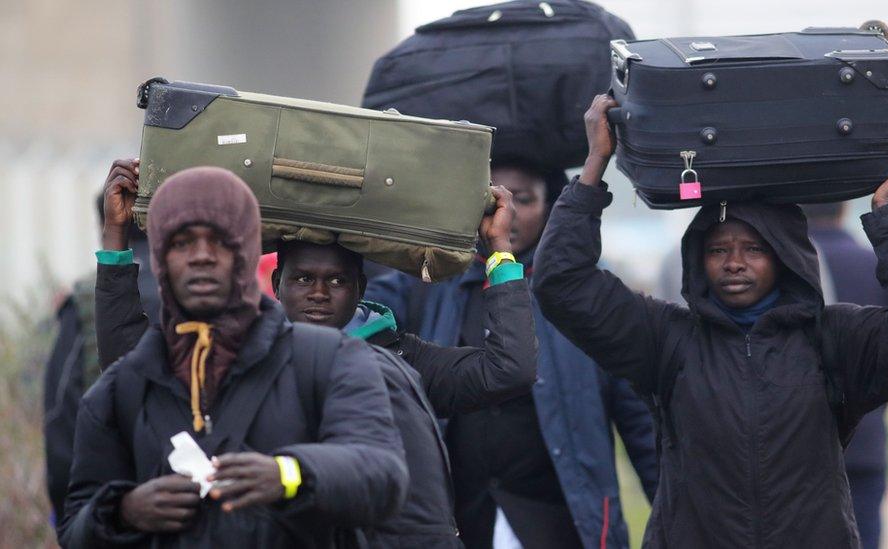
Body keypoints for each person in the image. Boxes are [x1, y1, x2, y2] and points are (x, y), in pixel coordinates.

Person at [531, 94, 888, 548]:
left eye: (753, 249)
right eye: (718, 250)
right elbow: (561, 283)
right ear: (699, 259)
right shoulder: (665, 340)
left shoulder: (833, 340)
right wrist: (595, 166)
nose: (734, 263)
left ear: (785, 259)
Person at [93, 160, 539, 548]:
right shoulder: (246, 360)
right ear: (276, 285)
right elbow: (128, 363)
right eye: (304, 279)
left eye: (338, 281)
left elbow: (509, 369)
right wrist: (115, 240)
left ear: (361, 290)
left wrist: (500, 254)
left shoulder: (404, 360)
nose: (320, 294)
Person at [58, 165, 407, 548]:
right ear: (160, 258)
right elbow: (75, 528)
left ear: (246, 252)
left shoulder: (329, 360)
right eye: (182, 243)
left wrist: (289, 475)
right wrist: (124, 512)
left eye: (221, 241)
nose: (202, 256)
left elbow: (383, 476)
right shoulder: (122, 387)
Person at [367, 159, 659, 549]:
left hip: (560, 519)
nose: (509, 214)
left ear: (551, 205)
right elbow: (358, 312)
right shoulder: (428, 281)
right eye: (491, 201)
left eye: (524, 199)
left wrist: (673, 509)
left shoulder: (587, 292)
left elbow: (640, 420)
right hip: (461, 515)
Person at [43, 188, 160, 525]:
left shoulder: (85, 298)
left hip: (111, 496)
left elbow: (61, 413)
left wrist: (72, 514)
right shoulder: (200, 289)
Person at [804, 202, 888, 549]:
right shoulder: (874, 263)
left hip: (797, 439)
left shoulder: (779, 262)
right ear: (844, 207)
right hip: (867, 434)